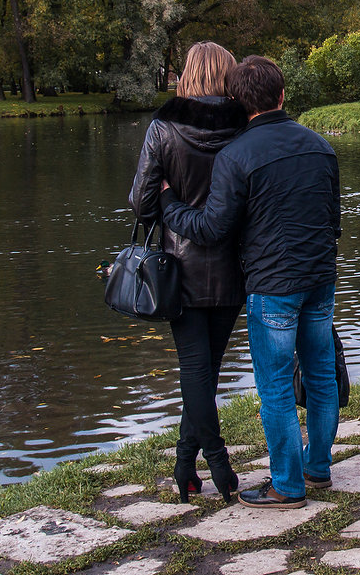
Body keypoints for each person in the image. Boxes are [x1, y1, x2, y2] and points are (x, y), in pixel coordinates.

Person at [159, 56, 341, 509]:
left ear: (240, 104)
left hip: (273, 284)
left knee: (276, 387)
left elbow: (211, 228)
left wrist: (168, 205)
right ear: (283, 95)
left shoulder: (236, 155)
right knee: (320, 376)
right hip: (320, 277)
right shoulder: (320, 146)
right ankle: (317, 467)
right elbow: (334, 221)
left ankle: (287, 486)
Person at [128, 41, 248, 503]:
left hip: (179, 267)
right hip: (235, 265)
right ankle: (185, 467)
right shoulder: (245, 126)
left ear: (187, 74)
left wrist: (166, 194)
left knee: (197, 371)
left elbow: (140, 204)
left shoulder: (163, 127)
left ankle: (212, 460)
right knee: (205, 371)